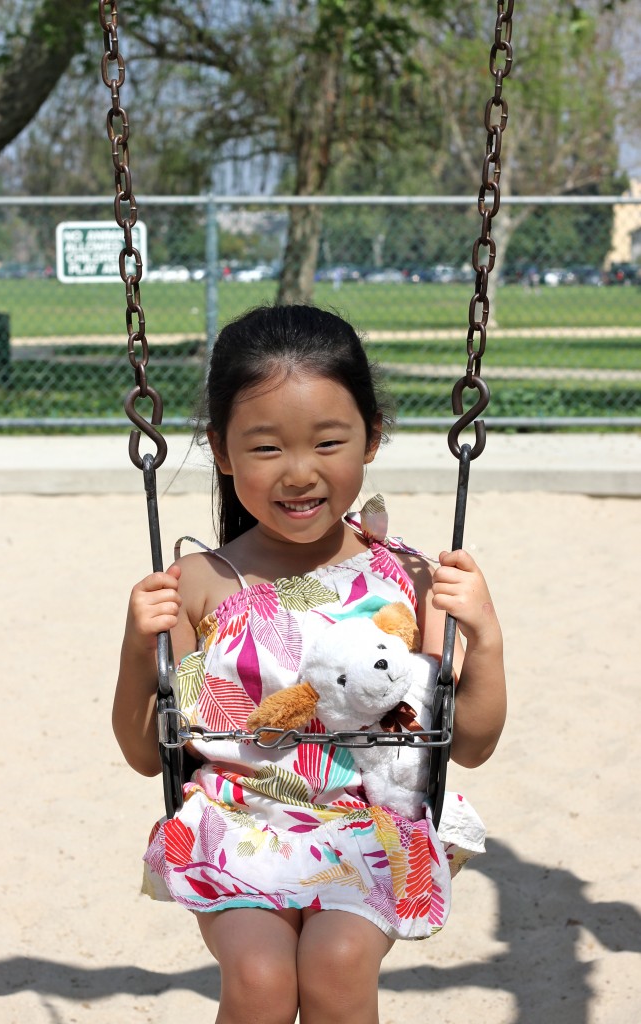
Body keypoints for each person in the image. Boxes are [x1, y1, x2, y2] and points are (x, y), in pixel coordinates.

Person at [113, 304, 506, 1024]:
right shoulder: (202, 582)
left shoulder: (412, 580)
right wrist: (137, 651)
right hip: (239, 823)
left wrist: (487, 639)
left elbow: (470, 745)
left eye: (329, 442)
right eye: (265, 450)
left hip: (371, 820)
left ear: (372, 438)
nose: (299, 474)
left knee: (336, 967)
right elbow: (148, 753)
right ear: (223, 452)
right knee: (261, 979)